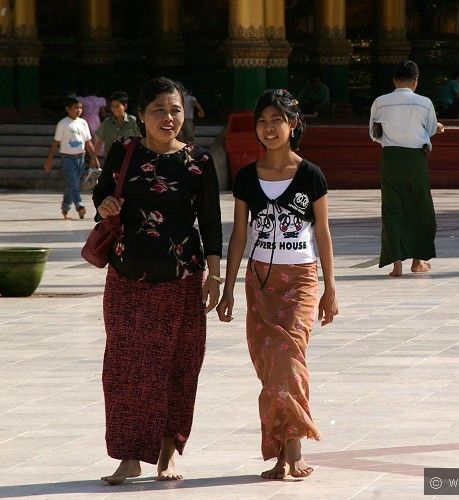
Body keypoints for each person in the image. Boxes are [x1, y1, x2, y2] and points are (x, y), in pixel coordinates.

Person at [92, 77, 223, 484]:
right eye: (159, 110)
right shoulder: (123, 151)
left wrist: (215, 276)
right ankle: (129, 457)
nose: (168, 118)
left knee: (178, 365)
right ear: (142, 115)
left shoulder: (198, 162)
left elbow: (212, 224)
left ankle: (167, 453)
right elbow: (100, 195)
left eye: (175, 110)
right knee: (124, 367)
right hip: (127, 275)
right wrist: (106, 204)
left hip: (181, 277)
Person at [216, 89, 338, 480]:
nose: (269, 128)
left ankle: (295, 448)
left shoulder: (310, 175)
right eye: (263, 121)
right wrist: (229, 286)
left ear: (293, 125)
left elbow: (323, 232)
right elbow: (238, 235)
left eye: (277, 120)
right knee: (270, 366)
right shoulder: (247, 177)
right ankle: (282, 450)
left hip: (301, 280)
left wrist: (330, 286)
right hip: (260, 283)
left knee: (288, 360)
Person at [369, 60, 444, 277]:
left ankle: (396, 265)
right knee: (420, 208)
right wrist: (436, 128)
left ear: (394, 81)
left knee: (392, 210)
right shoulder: (424, 103)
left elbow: (374, 134)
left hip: (391, 159)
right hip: (414, 160)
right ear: (415, 82)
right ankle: (417, 261)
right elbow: (430, 129)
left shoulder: (380, 102)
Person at [43, 94, 100, 219]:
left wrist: (94, 157)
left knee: (72, 184)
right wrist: (49, 159)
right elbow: (55, 143)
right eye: (75, 108)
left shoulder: (83, 123)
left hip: (81, 157)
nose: (78, 110)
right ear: (67, 109)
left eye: (80, 107)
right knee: (73, 182)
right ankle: (79, 205)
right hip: (67, 158)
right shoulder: (63, 124)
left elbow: (88, 142)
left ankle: (65, 207)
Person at [94, 91, 141, 159]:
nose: (115, 108)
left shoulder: (133, 120)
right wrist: (94, 158)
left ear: (125, 106)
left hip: (128, 159)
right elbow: (99, 142)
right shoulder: (107, 122)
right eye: (113, 106)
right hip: (110, 159)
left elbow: (139, 139)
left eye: (117, 106)